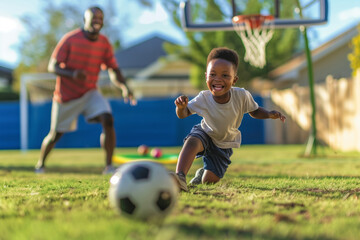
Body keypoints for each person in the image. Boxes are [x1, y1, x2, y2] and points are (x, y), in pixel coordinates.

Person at [35, 6, 136, 174]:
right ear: (85, 20)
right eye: (93, 17)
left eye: (100, 18)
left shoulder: (104, 43)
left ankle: (109, 166)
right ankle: (40, 164)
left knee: (108, 119)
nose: (97, 21)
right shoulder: (70, 39)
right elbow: (52, 66)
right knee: (55, 135)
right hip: (66, 96)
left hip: (89, 92)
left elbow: (113, 69)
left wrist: (124, 87)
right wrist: (72, 73)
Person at [172, 47, 286, 191]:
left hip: (225, 143)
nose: (218, 79)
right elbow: (183, 114)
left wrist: (269, 114)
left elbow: (255, 111)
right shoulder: (204, 97)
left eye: (225, 75)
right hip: (206, 132)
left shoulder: (242, 96)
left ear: (234, 80)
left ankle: (202, 175)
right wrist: (181, 107)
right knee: (192, 141)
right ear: (206, 76)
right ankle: (180, 177)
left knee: (209, 181)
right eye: (213, 74)